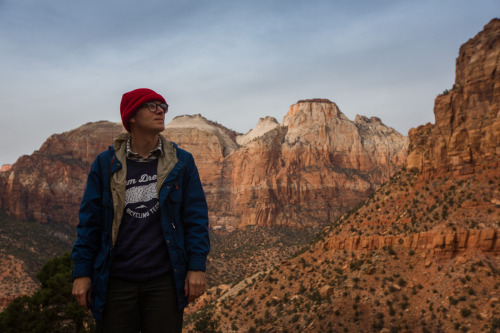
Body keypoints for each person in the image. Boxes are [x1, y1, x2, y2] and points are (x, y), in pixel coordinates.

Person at [71, 88, 210, 332]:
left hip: (164, 281)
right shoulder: (106, 163)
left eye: (163, 106)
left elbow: (196, 218)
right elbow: (90, 222)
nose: (161, 111)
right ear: (131, 117)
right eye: (152, 105)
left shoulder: (182, 161)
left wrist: (196, 267)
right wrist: (82, 273)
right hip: (115, 280)